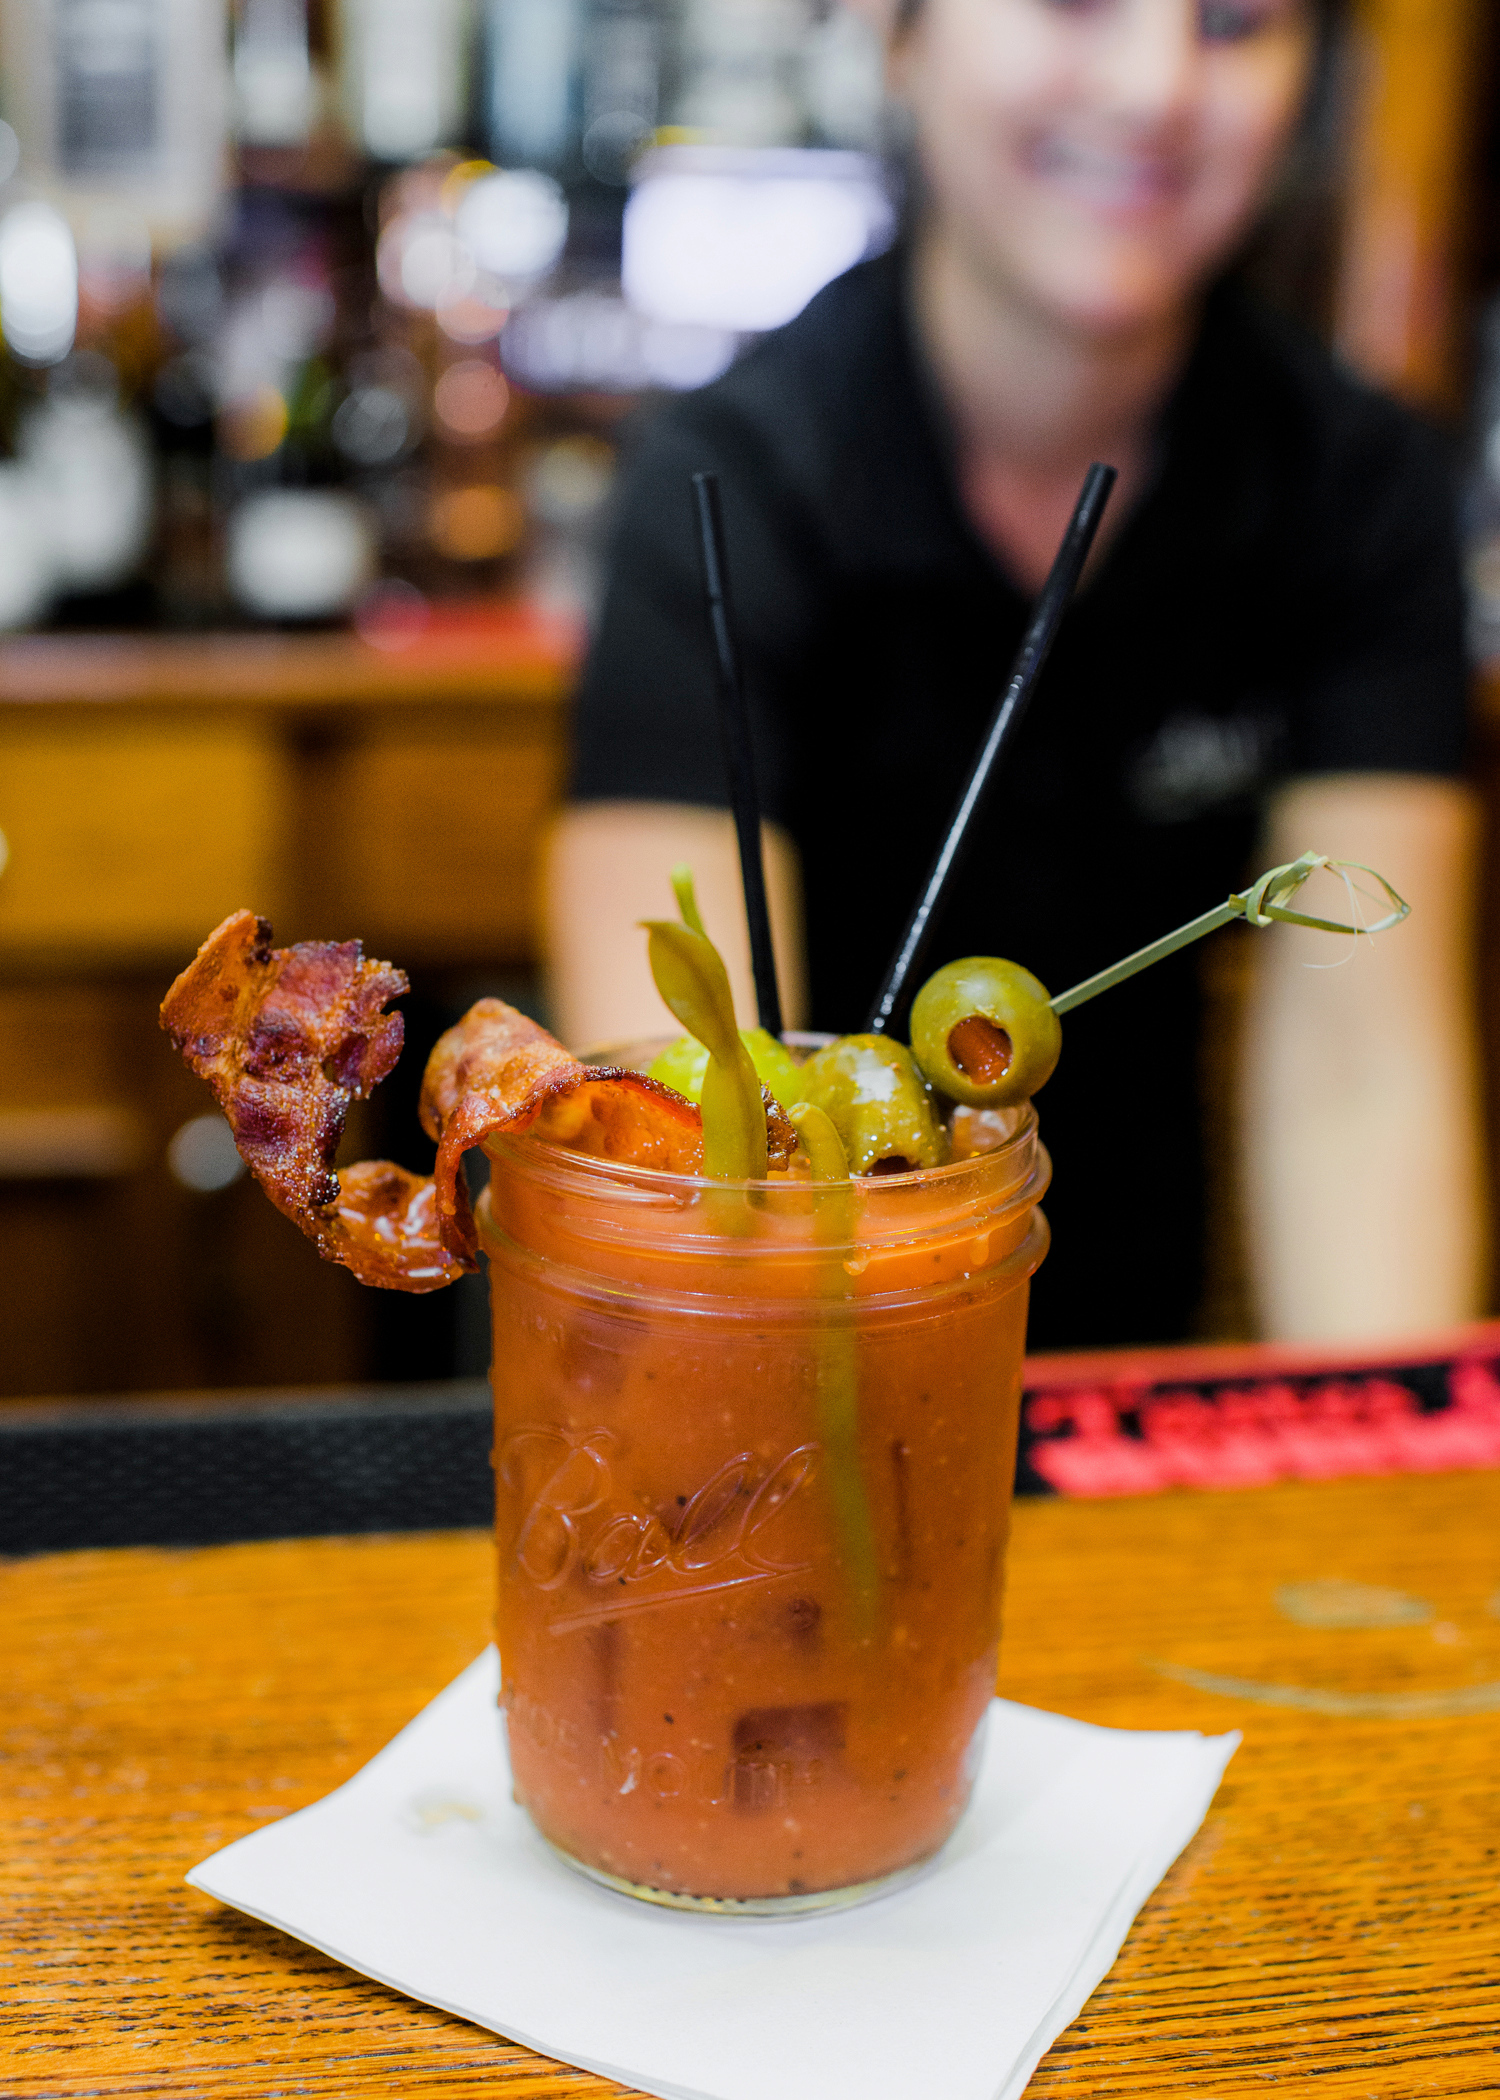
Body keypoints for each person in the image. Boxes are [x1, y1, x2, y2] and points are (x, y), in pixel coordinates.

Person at [548, 0, 1488, 1350]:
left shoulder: (1356, 486)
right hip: (776, 1368)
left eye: (1236, 22)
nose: (1157, 83)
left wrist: (1378, 1501)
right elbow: (683, 1104)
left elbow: (1361, 1077)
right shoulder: (723, 493)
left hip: (1122, 1374)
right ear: (898, 30)